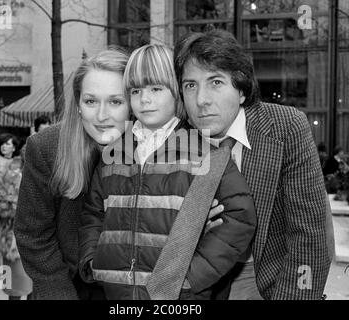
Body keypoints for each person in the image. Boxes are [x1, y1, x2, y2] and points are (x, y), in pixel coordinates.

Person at [78, 44, 256, 300]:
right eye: (136, 90)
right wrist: (92, 262)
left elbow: (239, 219)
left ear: (176, 92)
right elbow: (94, 213)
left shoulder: (205, 152)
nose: (144, 99)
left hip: (179, 297)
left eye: (156, 89)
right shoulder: (115, 153)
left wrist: (192, 276)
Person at [174, 29, 331, 300]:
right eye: (190, 85)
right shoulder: (175, 140)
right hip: (193, 281)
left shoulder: (285, 127)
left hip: (266, 277)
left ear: (242, 90)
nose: (201, 100)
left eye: (215, 82)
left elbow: (309, 236)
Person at [14, 48, 131, 300]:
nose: (102, 115)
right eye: (91, 101)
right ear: (78, 104)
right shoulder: (47, 148)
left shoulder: (156, 150)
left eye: (115, 101)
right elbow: (33, 235)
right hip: (66, 285)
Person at [0, 135, 32, 300]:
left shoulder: (39, 173)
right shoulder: (7, 173)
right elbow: (3, 207)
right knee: (14, 288)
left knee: (34, 287)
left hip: (36, 240)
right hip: (13, 238)